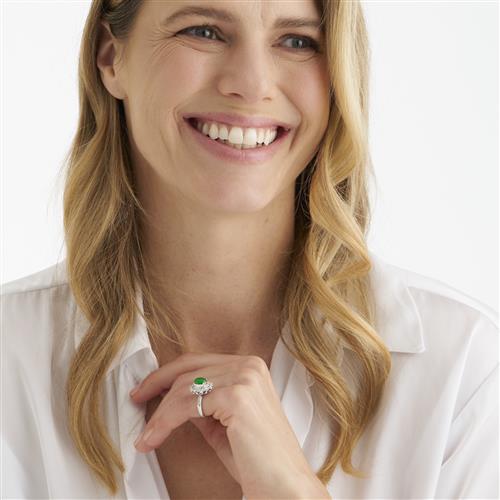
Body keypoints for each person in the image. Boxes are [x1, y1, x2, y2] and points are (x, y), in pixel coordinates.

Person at [1, 0, 498, 499]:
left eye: (298, 41)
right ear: (111, 57)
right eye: (204, 31)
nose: (253, 83)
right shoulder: (10, 354)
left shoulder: (464, 372)